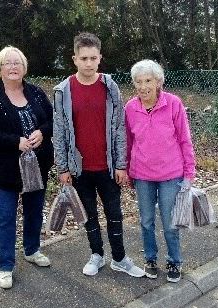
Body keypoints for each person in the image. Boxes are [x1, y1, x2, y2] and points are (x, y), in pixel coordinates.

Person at [53, 32, 144, 278]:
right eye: (84, 58)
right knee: (89, 215)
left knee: (114, 214)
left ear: (100, 58)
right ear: (75, 59)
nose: (89, 63)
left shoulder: (109, 87)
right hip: (79, 169)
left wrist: (122, 164)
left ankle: (120, 258)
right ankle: (96, 255)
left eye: (93, 58)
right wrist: (62, 168)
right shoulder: (63, 91)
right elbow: (59, 131)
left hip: (108, 166)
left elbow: (119, 128)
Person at [0, 46, 54, 289]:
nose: (12, 67)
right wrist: (14, 142)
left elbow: (52, 120)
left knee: (34, 211)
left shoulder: (37, 93)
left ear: (24, 67)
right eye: (7, 63)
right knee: (6, 218)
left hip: (37, 166)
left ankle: (31, 250)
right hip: (5, 169)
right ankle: (6, 265)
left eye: (17, 63)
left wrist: (42, 132)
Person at [125, 59, 196, 283]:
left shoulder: (173, 104)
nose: (143, 86)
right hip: (142, 174)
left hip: (170, 175)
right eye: (139, 81)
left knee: (169, 223)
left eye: (148, 80)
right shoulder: (130, 108)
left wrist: (189, 173)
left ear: (158, 82)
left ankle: (174, 261)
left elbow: (185, 140)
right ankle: (150, 259)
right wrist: (127, 169)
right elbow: (127, 142)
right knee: (146, 221)